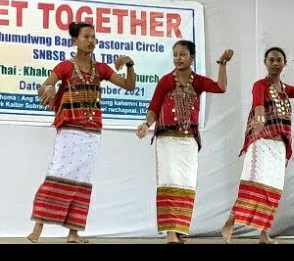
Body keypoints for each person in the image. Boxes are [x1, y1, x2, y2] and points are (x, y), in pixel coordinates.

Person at [27, 22, 136, 243]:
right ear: (75, 41)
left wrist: (130, 65)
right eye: (86, 36)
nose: (91, 41)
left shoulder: (101, 69)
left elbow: (129, 86)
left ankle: (74, 233)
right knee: (58, 172)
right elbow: (44, 86)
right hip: (70, 129)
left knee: (82, 179)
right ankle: (38, 226)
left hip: (92, 132)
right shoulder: (65, 66)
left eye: (94, 37)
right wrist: (49, 88)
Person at [136, 40, 233, 244]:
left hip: (188, 141)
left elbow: (221, 87)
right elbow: (154, 108)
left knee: (186, 184)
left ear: (192, 57)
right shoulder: (165, 81)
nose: (178, 58)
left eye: (182, 54)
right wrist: (146, 124)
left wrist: (222, 63)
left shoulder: (197, 81)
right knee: (169, 180)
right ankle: (171, 232)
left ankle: (179, 229)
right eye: (175, 54)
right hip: (167, 139)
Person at [221, 47, 294, 244]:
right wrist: (260, 121)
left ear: (284, 64)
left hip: (279, 146)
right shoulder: (260, 85)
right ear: (265, 63)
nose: (275, 63)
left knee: (273, 188)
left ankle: (264, 233)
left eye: (279, 60)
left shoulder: (286, 89)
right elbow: (258, 104)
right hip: (261, 141)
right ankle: (230, 222)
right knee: (252, 182)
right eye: (271, 60)